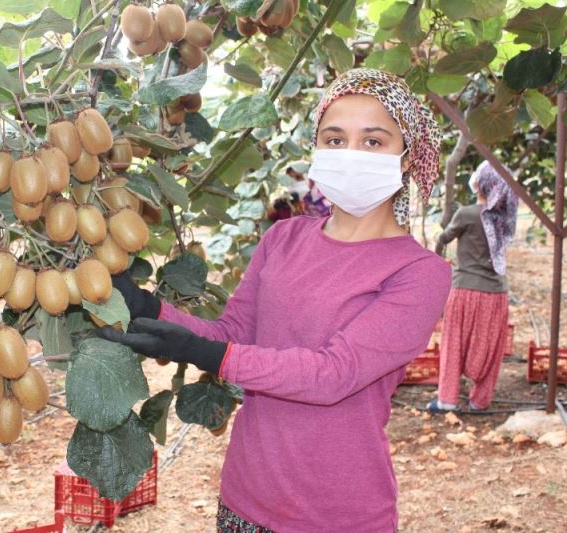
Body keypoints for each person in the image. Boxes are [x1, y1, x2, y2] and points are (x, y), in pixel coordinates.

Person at [100, 68, 451, 532]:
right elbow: (233, 335)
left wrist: (201, 352)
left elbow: (333, 375)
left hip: (336, 517)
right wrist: (150, 309)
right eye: (334, 138)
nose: (350, 153)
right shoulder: (284, 238)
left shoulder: (419, 272)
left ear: (405, 159)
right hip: (246, 498)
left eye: (373, 141)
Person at [429, 161, 519, 413]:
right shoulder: (505, 218)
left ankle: (447, 399)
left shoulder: (467, 214)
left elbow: (443, 238)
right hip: (496, 293)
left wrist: (438, 252)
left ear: (479, 184)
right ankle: (480, 401)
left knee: (454, 343)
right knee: (489, 347)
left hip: (465, 289)